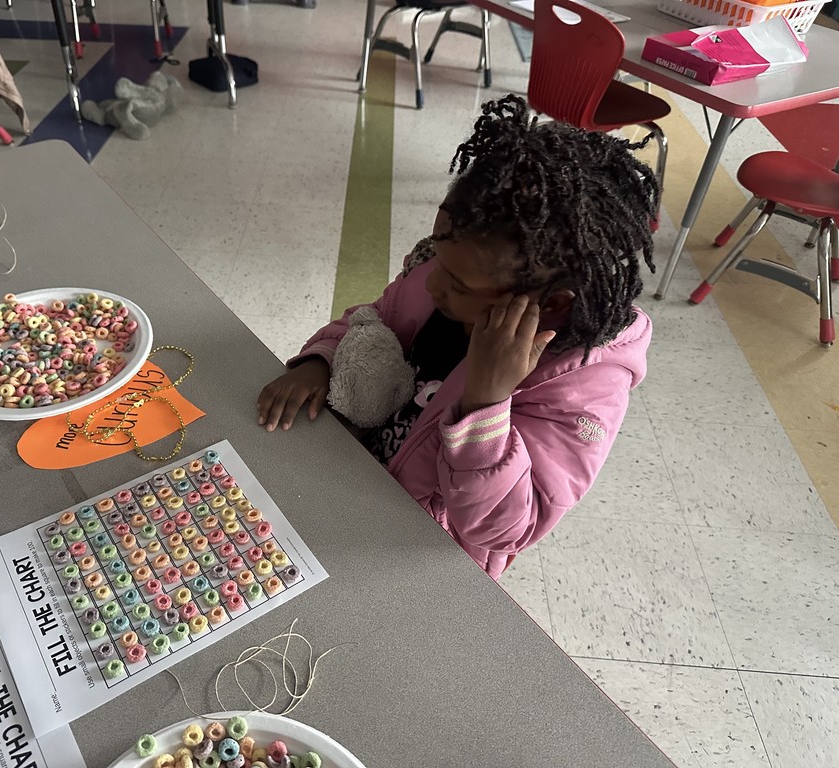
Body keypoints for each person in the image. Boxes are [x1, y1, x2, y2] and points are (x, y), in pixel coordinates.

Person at [257, 95, 660, 580]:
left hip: (408, 548)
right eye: (438, 262)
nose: (432, 282)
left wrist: (487, 403)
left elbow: (510, 526)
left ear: (551, 304)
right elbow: (376, 316)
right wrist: (320, 361)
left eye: (457, 283)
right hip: (343, 476)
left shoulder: (584, 388)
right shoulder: (448, 271)